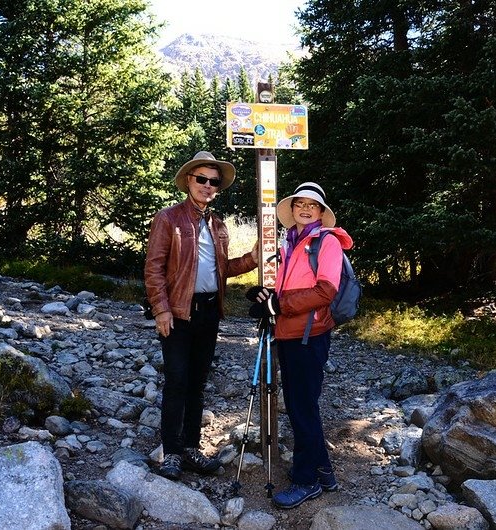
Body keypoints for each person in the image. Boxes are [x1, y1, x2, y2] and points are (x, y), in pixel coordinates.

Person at [145, 151, 259, 481]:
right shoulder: (168, 219)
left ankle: (192, 448)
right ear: (189, 181)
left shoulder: (218, 225)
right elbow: (153, 269)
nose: (208, 186)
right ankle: (171, 453)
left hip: (209, 313)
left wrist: (251, 259)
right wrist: (161, 309)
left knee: (197, 383)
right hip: (178, 314)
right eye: (202, 179)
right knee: (177, 381)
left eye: (214, 182)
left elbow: (222, 270)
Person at [247, 181, 353, 509]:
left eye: (312, 205)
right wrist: (263, 296)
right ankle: (323, 472)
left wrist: (280, 305)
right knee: (300, 405)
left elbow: (326, 291)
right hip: (288, 335)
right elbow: (282, 287)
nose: (305, 209)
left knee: (302, 408)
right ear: (292, 210)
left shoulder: (327, 242)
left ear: (321, 212)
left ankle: (306, 481)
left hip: (310, 336)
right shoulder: (290, 243)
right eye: (299, 203)